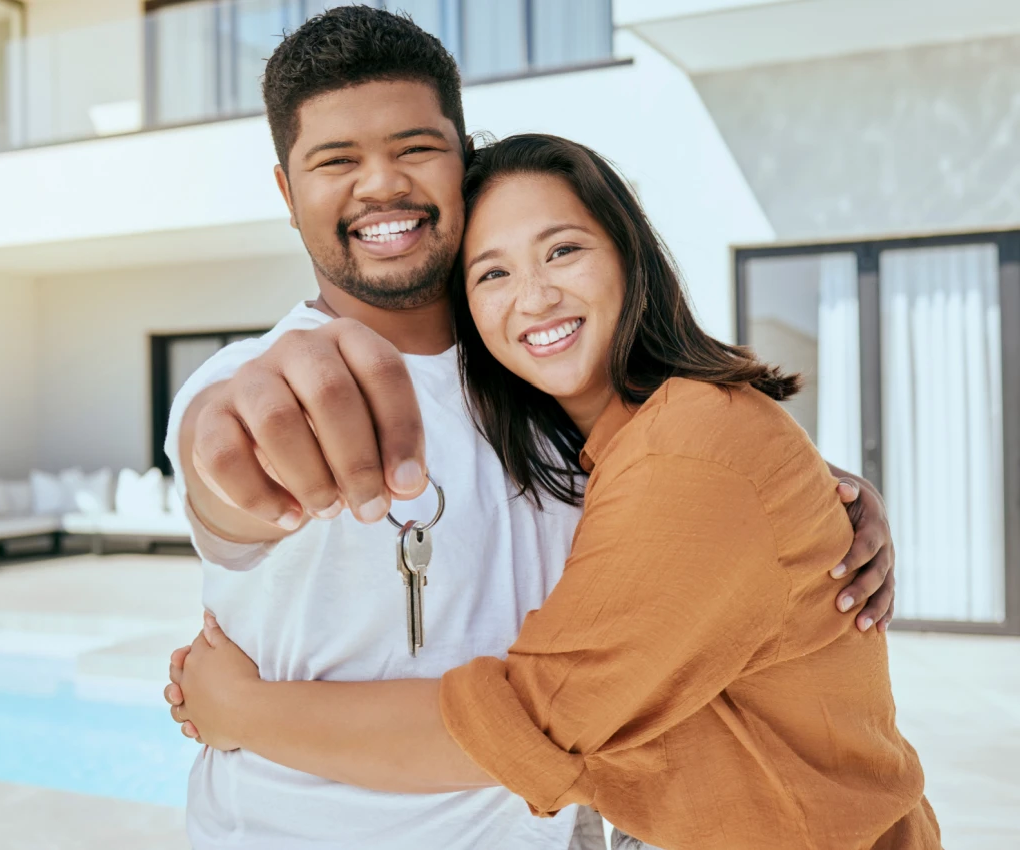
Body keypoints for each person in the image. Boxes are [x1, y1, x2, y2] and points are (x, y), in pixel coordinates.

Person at [162, 7, 896, 849]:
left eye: (413, 149)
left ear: (460, 162)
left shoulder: (537, 386)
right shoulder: (246, 382)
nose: (380, 185)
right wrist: (231, 446)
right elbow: (227, 469)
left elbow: (683, 483)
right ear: (288, 194)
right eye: (335, 161)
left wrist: (814, 495)